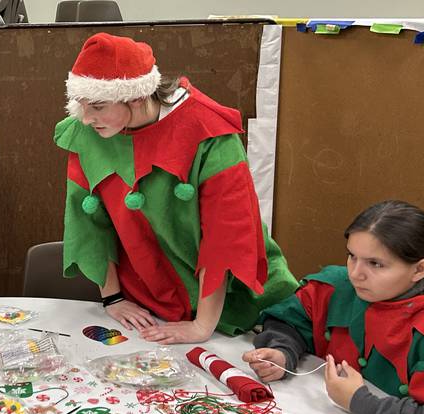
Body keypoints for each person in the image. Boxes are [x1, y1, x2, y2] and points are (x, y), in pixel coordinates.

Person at [55, 32, 297, 343]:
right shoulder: (88, 131)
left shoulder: (208, 133)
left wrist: (201, 325)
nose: (87, 118)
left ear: (138, 96)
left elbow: (226, 238)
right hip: (152, 303)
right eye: (81, 104)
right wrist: (112, 297)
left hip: (236, 305)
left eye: (98, 106)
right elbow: (88, 222)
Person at [244, 200, 424, 414]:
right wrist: (283, 351)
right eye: (352, 256)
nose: (356, 273)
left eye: (375, 264)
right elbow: (291, 320)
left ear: (419, 270)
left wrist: (360, 402)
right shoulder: (335, 287)